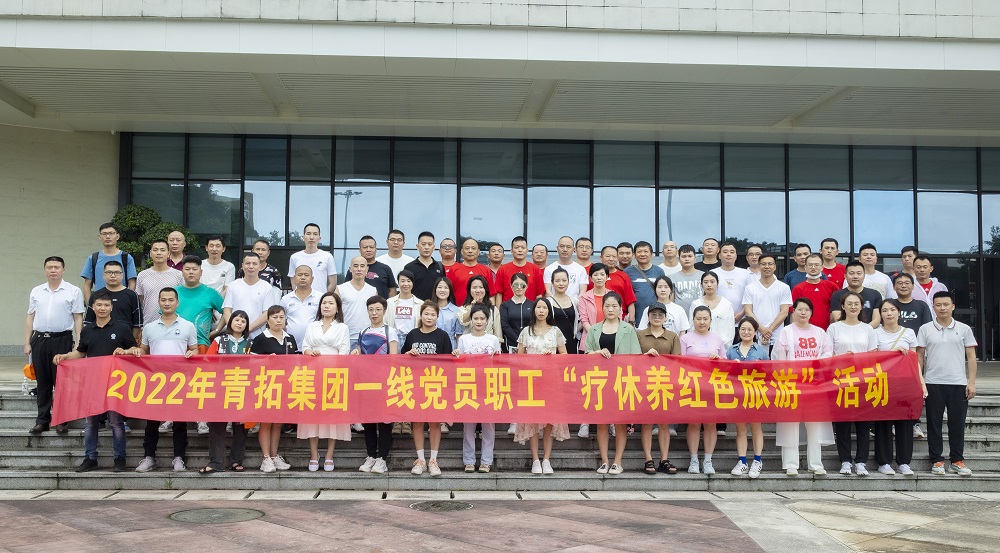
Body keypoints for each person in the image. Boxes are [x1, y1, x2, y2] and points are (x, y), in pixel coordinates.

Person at [54, 290, 137, 472]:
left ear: (111, 307)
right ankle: (90, 458)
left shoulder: (122, 327)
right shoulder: (87, 330)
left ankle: (120, 459)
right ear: (92, 307)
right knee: (91, 423)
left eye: (106, 305)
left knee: (116, 422)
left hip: (115, 383)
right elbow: (80, 352)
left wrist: (125, 351)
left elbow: (134, 349)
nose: (102, 308)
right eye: (99, 305)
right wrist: (65, 356)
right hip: (93, 382)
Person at [135, 287, 198, 473]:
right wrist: (139, 351)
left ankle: (179, 458)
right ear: (158, 302)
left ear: (177, 303)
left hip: (179, 380)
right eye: (163, 300)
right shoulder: (149, 327)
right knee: (152, 421)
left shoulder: (187, 326)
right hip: (156, 381)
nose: (167, 303)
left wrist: (192, 353)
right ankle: (149, 457)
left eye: (171, 300)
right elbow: (144, 349)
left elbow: (194, 349)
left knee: (179, 421)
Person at [772, 298, 834, 475]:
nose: (803, 312)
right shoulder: (786, 331)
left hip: (814, 384)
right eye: (800, 309)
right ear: (794, 311)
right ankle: (791, 463)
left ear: (811, 312)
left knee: (814, 424)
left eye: (807, 309)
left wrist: (816, 367)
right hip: (792, 384)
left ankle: (815, 464)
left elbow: (827, 353)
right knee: (790, 423)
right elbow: (779, 355)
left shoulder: (820, 332)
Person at [918, 291, 977, 476]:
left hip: (958, 383)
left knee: (957, 424)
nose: (942, 308)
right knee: (933, 423)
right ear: (933, 307)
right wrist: (920, 380)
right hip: (933, 382)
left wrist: (971, 382)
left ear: (953, 306)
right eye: (938, 305)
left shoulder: (964, 329)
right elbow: (919, 356)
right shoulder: (925, 329)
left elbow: (971, 357)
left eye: (945, 304)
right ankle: (936, 460)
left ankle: (957, 460)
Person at [26, 256, 85, 434]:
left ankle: (61, 421)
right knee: (42, 381)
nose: (53, 270)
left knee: (61, 382)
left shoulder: (73, 291)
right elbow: (30, 317)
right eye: (49, 267)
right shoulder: (36, 291)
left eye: (56, 267)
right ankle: (42, 420)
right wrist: (27, 342)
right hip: (39, 340)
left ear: (63, 270)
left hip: (62, 340)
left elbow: (78, 318)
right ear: (45, 270)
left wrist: (79, 343)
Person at [585, 292, 641, 475]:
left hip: (622, 380)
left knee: (619, 422)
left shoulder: (628, 329)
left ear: (620, 309)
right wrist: (597, 353)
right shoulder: (594, 329)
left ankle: (617, 461)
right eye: (607, 306)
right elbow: (586, 354)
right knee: (601, 422)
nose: (610, 309)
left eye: (614, 306)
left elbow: (636, 356)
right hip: (600, 381)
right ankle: (604, 461)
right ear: (602, 308)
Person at [827, 291, 878, 476]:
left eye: (857, 303)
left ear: (861, 307)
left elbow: (873, 356)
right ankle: (845, 461)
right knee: (843, 424)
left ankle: (861, 462)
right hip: (840, 382)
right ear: (843, 306)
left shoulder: (868, 329)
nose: (853, 306)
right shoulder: (834, 328)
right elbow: (827, 355)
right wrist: (841, 358)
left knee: (863, 424)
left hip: (863, 382)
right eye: (849, 303)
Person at [300, 292, 353, 472]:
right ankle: (314, 454)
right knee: (312, 413)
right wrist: (309, 352)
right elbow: (305, 346)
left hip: (334, 374)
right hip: (313, 372)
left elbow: (344, 351)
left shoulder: (342, 328)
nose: (326, 306)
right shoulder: (312, 326)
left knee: (333, 414)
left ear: (337, 308)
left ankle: (329, 454)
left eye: (331, 303)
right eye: (324, 303)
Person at [515, 300, 570, 474]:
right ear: (534, 310)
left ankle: (546, 459)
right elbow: (519, 357)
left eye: (544, 307)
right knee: (532, 420)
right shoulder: (526, 331)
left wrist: (552, 357)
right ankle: (535, 460)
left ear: (549, 311)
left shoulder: (555, 331)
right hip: (531, 381)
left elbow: (564, 354)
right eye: (538, 307)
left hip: (551, 380)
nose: (541, 310)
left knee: (549, 421)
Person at [402, 302, 454, 476]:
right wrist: (409, 354)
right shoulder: (412, 334)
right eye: (426, 314)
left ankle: (433, 460)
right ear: (421, 315)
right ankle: (420, 460)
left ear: (437, 317)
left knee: (434, 422)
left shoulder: (443, 335)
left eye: (433, 315)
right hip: (415, 384)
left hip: (435, 384)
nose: (429, 317)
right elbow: (402, 358)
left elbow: (448, 362)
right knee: (417, 422)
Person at [873, 299, 923, 476]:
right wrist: (892, 354)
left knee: (905, 423)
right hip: (883, 382)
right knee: (883, 423)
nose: (889, 313)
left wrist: (921, 382)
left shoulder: (909, 333)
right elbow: (872, 359)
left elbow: (914, 360)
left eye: (892, 309)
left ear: (899, 312)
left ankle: (904, 462)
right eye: (885, 310)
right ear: (880, 314)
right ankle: (884, 462)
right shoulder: (875, 333)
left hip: (905, 383)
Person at [201, 310, 253, 474]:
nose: (239, 323)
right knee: (217, 425)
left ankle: (236, 460)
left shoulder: (250, 344)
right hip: (220, 388)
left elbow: (256, 366)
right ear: (230, 322)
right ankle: (216, 461)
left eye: (243, 321)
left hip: (242, 389)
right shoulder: (219, 340)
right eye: (237, 320)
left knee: (240, 427)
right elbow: (208, 362)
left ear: (246, 326)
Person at [352, 296, 398, 474]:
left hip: (384, 382)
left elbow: (394, 358)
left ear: (384, 311)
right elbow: (360, 354)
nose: (374, 313)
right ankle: (371, 455)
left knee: (384, 420)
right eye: (371, 309)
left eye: (378, 309)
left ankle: (382, 458)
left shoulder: (390, 331)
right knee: (368, 421)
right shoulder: (363, 331)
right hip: (366, 382)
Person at [455, 304, 504, 473]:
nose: (479, 321)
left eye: (482, 318)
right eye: (475, 318)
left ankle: (486, 461)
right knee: (468, 425)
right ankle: (469, 461)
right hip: (468, 385)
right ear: (471, 320)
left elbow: (498, 363)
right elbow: (459, 363)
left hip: (488, 385)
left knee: (488, 426)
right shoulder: (464, 339)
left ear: (487, 320)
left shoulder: (493, 339)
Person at [250, 305, 298, 473]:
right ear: (268, 319)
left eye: (281, 317)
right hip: (267, 385)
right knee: (266, 421)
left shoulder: (290, 338)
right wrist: (266, 361)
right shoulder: (261, 339)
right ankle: (266, 458)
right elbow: (252, 364)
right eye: (275, 317)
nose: (278, 320)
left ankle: (274, 455)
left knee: (277, 422)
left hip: (285, 385)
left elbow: (296, 361)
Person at [680, 305, 727, 474]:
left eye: (705, 319)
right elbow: (679, 362)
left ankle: (708, 460)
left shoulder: (717, 339)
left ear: (710, 321)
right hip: (692, 386)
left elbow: (725, 363)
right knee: (694, 423)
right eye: (698, 319)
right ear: (693, 320)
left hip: (712, 387)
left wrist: (718, 359)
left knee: (710, 423)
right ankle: (693, 460)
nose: (702, 322)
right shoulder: (685, 338)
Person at [637, 301, 681, 475]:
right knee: (647, 423)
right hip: (644, 383)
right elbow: (632, 358)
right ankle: (648, 459)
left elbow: (677, 360)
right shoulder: (640, 335)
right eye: (653, 314)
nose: (657, 317)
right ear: (648, 317)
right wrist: (644, 356)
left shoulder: (672, 336)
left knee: (664, 423)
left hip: (665, 384)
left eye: (660, 315)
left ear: (665, 317)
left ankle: (664, 459)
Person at [726, 317, 769, 478]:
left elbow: (768, 373)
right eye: (743, 329)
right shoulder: (731, 350)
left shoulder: (761, 351)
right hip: (737, 395)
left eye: (750, 329)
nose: (746, 332)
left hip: (756, 394)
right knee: (741, 429)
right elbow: (723, 373)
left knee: (756, 428)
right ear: (739, 331)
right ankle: (742, 462)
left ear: (755, 332)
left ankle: (757, 461)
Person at [176, 256, 225, 355]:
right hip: (177, 342)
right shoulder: (174, 292)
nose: (191, 272)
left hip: (201, 343)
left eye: (194, 269)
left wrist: (217, 330)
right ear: (182, 272)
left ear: (201, 272)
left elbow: (227, 312)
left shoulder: (210, 293)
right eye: (187, 269)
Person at [83, 259, 142, 341]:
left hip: (125, 342)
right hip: (99, 341)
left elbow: (137, 324)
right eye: (109, 272)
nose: (113, 275)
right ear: (103, 275)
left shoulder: (132, 295)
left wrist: (131, 341)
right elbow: (88, 321)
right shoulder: (96, 295)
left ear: (122, 275)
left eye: (117, 272)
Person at [742, 254, 792, 350]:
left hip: (777, 336)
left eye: (770, 264)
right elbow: (748, 311)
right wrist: (761, 329)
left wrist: (769, 330)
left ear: (775, 267)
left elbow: (784, 312)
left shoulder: (784, 287)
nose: (767, 266)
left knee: (777, 360)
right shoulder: (750, 288)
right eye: (763, 264)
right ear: (759, 266)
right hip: (755, 335)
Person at [81, 222, 137, 302]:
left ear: (117, 236)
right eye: (104, 234)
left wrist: (129, 301)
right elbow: (87, 285)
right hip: (100, 304)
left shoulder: (126, 257)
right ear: (100, 237)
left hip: (122, 303)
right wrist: (90, 305)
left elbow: (132, 283)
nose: (107, 236)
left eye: (111, 233)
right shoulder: (93, 258)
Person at [222, 252, 273, 339]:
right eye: (248, 263)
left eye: (254, 264)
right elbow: (227, 311)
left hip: (258, 337)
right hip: (235, 337)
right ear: (242, 265)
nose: (251, 266)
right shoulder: (233, 285)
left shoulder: (266, 287)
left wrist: (248, 328)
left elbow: (267, 313)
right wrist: (235, 329)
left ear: (259, 266)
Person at [135, 239, 184, 325]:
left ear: (168, 253)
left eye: (162, 250)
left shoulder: (179, 275)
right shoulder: (142, 275)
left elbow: (182, 299)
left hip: (174, 324)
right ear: (150, 253)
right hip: (148, 324)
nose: (158, 253)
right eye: (155, 250)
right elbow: (140, 301)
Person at [336, 256, 378, 350]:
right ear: (350, 269)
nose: (359, 269)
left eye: (362, 266)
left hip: (368, 336)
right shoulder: (340, 289)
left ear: (367, 269)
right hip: (345, 337)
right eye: (355, 266)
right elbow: (335, 314)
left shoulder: (373, 290)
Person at [792, 254, 840, 330]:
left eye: (816, 265)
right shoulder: (798, 288)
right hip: (805, 330)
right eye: (810, 265)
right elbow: (793, 313)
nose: (813, 267)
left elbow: (838, 309)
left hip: (828, 330)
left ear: (822, 267)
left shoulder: (832, 286)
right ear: (805, 267)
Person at [280, 264, 321, 349]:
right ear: (294, 278)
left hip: (315, 346)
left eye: (306, 275)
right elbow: (281, 322)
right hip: (291, 346)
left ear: (312, 279)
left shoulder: (320, 298)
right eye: (299, 275)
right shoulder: (286, 299)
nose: (303, 277)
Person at [830, 261, 882, 328]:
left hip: (868, 332)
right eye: (851, 273)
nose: (855, 276)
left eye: (859, 273)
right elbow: (838, 318)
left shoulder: (875, 294)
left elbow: (876, 320)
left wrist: (864, 330)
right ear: (845, 276)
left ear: (864, 275)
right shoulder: (837, 295)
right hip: (844, 331)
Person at [495, 236, 545, 304]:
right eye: (516, 247)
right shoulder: (503, 269)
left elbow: (539, 294)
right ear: (511, 251)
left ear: (527, 251)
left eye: (523, 247)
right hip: (508, 309)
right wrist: (499, 310)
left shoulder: (535, 269)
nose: (520, 250)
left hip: (530, 308)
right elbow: (499, 293)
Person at [288, 223, 336, 293]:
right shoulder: (294, 257)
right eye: (308, 234)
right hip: (301, 298)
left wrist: (324, 297)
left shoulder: (327, 256)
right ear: (303, 237)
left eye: (315, 234)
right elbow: (293, 281)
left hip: (321, 298)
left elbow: (333, 283)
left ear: (319, 238)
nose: (311, 237)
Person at [625, 240, 665, 324]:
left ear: (652, 254)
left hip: (655, 315)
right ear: (634, 255)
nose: (642, 254)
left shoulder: (659, 271)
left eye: (646, 251)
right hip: (635, 317)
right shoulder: (627, 272)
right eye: (639, 252)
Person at [594, 246, 637, 323]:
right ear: (601, 257)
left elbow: (630, 301)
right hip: (596, 319)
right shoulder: (594, 276)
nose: (611, 259)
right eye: (608, 256)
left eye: (614, 256)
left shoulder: (624, 276)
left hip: (620, 320)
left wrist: (631, 322)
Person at [689, 271, 735, 344]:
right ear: (701, 285)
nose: (709, 285)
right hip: (699, 346)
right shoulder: (695, 304)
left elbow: (730, 330)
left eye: (712, 282)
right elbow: (691, 327)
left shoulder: (726, 305)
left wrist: (719, 346)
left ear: (717, 284)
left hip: (721, 346)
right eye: (706, 282)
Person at [450, 238, 496, 306]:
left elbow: (491, 295)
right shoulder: (453, 270)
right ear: (462, 251)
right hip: (458, 310)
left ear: (478, 252)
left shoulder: (486, 270)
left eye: (473, 248)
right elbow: (448, 294)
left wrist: (491, 310)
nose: (470, 251)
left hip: (481, 310)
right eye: (467, 248)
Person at [457, 275, 503, 341]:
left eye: (481, 287)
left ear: (485, 290)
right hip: (470, 344)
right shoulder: (464, 308)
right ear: (469, 290)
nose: (478, 290)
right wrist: (471, 308)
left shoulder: (493, 310)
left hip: (488, 344)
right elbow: (464, 321)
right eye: (474, 287)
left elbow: (498, 335)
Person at [547, 267, 580, 355]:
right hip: (552, 344)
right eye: (557, 281)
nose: (561, 283)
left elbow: (583, 319)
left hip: (571, 342)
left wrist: (576, 331)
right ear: (552, 283)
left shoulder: (575, 301)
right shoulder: (547, 302)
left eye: (564, 280)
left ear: (568, 282)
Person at [713, 242, 751, 321]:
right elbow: (708, 297)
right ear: (719, 256)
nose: (728, 254)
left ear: (736, 256)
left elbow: (751, 298)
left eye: (732, 252)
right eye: (725, 252)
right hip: (718, 319)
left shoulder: (746, 274)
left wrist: (741, 314)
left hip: (742, 320)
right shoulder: (713, 273)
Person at [404, 231, 446, 301]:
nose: (426, 247)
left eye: (430, 244)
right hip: (415, 305)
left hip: (435, 306)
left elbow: (443, 287)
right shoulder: (409, 267)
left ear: (434, 247)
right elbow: (405, 290)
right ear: (417, 246)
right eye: (423, 244)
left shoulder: (440, 267)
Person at [499, 272, 535, 353]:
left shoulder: (532, 305)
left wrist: (526, 341)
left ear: (527, 286)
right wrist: (518, 341)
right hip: (511, 344)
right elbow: (505, 325)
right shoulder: (505, 305)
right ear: (511, 286)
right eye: (515, 285)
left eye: (522, 285)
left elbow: (534, 324)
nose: (519, 287)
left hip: (529, 343)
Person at [386, 270, 422, 340]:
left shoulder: (420, 304)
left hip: (413, 338)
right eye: (402, 281)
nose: (406, 284)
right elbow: (385, 322)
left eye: (409, 281)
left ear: (412, 283)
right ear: (398, 283)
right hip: (394, 339)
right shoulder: (390, 302)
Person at [359, 235, 398, 300]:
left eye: (371, 247)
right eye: (365, 247)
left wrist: (387, 304)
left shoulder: (385, 268)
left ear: (376, 249)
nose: (368, 250)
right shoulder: (354, 269)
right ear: (360, 250)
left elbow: (392, 290)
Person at [430, 277, 462, 350]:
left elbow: (459, 334)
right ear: (435, 289)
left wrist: (458, 350)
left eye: (446, 288)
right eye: (440, 287)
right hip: (432, 346)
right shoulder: (429, 308)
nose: (442, 290)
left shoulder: (456, 310)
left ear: (450, 290)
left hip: (450, 346)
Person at [671, 244, 704, 315]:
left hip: (700, 316)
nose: (687, 259)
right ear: (679, 259)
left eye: (690, 256)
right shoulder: (672, 278)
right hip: (679, 316)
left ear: (695, 258)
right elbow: (671, 302)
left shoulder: (703, 276)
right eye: (684, 256)